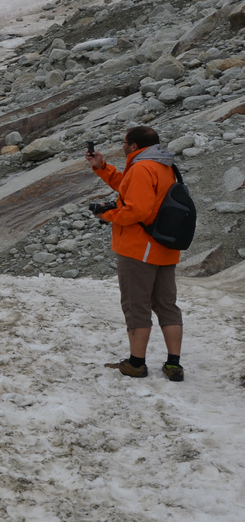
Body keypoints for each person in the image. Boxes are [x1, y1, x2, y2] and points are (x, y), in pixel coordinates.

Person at [86, 125, 184, 380]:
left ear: (133, 146)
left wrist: (107, 215)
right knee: (167, 305)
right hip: (164, 247)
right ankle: (174, 364)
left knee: (136, 305)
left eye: (124, 142)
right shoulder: (163, 165)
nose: (122, 146)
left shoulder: (141, 167)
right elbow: (130, 188)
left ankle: (136, 363)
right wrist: (101, 166)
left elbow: (138, 210)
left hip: (139, 249)